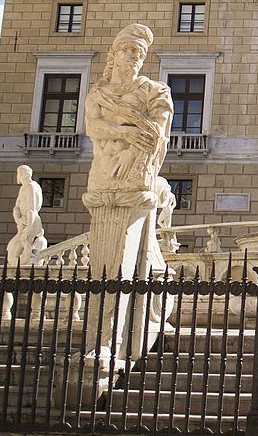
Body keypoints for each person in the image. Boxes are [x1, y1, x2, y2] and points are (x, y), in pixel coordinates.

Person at [82, 23, 173, 355]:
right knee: (105, 264)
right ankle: (103, 340)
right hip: (104, 176)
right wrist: (126, 133)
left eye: (140, 53)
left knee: (118, 261)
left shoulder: (155, 91)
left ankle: (106, 343)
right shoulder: (98, 93)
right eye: (129, 50)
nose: (135, 56)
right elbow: (93, 126)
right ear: (114, 54)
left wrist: (132, 143)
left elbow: (158, 132)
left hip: (135, 176)